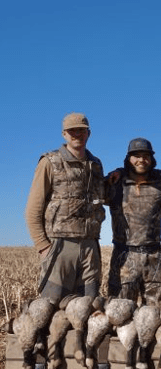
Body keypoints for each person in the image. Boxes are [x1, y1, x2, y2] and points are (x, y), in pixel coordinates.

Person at [25, 113, 106, 304]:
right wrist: (44, 247)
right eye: (72, 131)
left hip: (90, 247)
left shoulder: (96, 165)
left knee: (89, 307)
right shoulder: (50, 162)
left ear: (89, 133)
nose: (77, 134)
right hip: (60, 245)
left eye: (81, 130)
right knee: (51, 308)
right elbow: (33, 208)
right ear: (64, 134)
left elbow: (101, 196)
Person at [107, 138, 161, 306]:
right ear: (128, 159)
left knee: (160, 312)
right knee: (120, 312)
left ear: (152, 159)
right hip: (123, 256)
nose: (141, 160)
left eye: (146, 156)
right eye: (136, 156)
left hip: (154, 256)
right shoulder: (114, 183)